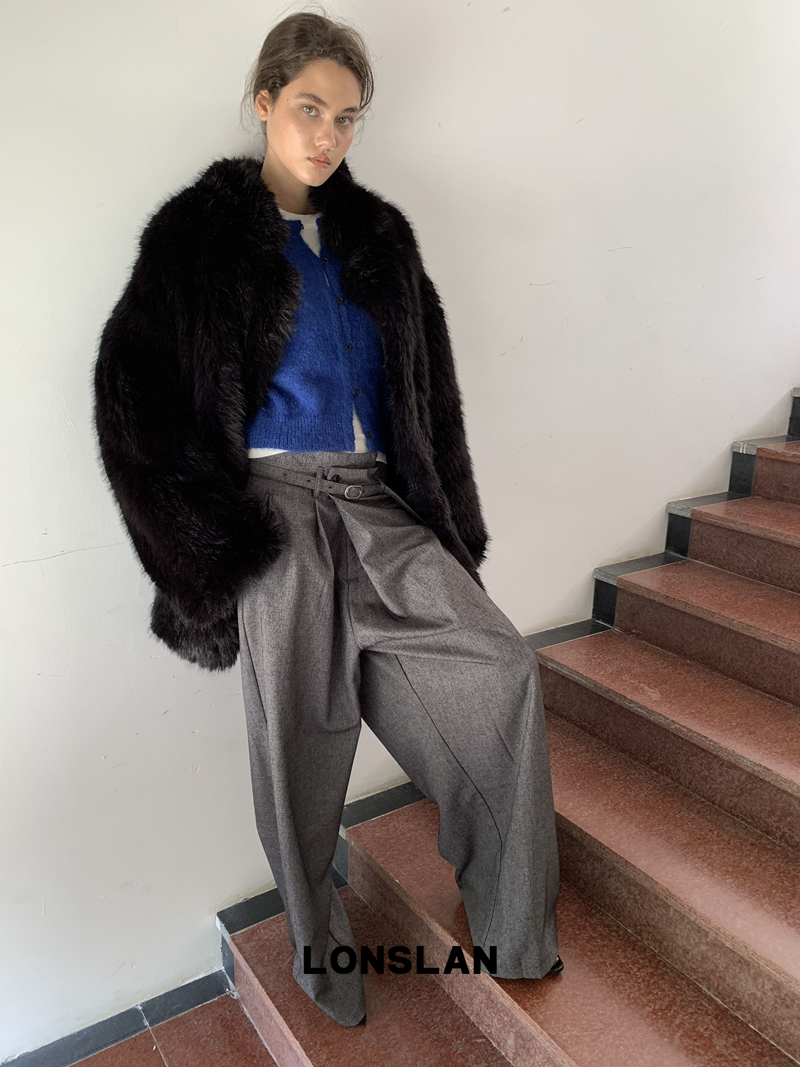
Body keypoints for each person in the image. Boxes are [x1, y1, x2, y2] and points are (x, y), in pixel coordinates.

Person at [92, 8, 562, 1029]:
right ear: (265, 102)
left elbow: (431, 396)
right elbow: (131, 398)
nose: (327, 135)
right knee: (297, 747)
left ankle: (514, 923)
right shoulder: (197, 238)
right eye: (309, 108)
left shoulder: (379, 239)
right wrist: (208, 548)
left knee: (499, 666)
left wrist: (445, 519)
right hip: (268, 509)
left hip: (374, 499)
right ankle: (324, 957)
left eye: (347, 118)